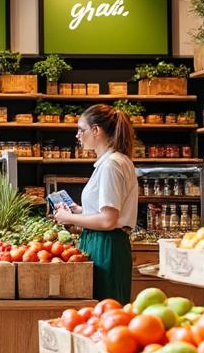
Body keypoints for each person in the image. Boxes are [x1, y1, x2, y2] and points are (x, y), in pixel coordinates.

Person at [52, 104, 139, 304]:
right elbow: (108, 211)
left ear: (96, 130)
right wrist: (80, 211)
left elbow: (109, 220)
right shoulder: (115, 161)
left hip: (106, 246)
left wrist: (69, 217)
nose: (77, 135)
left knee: (106, 309)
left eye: (81, 130)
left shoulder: (111, 165)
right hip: (105, 242)